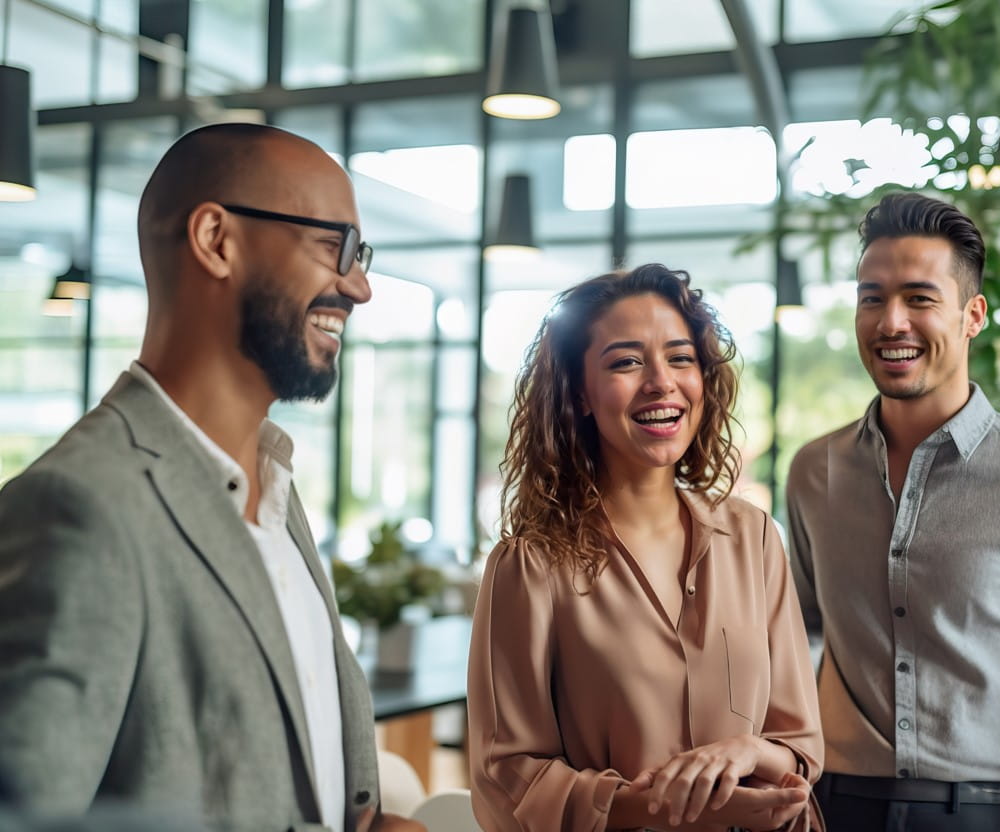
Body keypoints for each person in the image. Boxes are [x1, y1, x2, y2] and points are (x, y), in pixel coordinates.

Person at [0, 123, 420, 832]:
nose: (360, 286)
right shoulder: (80, 506)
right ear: (216, 240)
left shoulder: (277, 497)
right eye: (334, 246)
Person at [785, 192, 1000, 831]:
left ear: (973, 316)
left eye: (919, 298)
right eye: (872, 297)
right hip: (831, 808)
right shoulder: (814, 473)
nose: (891, 322)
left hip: (983, 814)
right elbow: (796, 639)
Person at [467, 264, 823, 831]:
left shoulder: (753, 538)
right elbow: (507, 775)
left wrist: (748, 754)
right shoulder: (531, 564)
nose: (661, 382)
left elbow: (798, 743)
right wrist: (675, 808)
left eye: (680, 357)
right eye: (627, 362)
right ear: (581, 393)